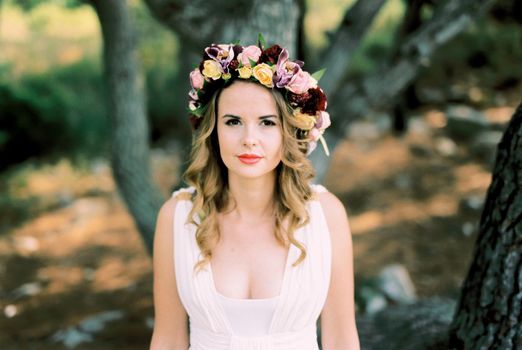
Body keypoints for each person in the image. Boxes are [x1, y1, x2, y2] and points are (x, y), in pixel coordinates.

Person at [150, 37, 360, 350]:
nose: (249, 139)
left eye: (267, 122)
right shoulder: (177, 217)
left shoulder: (325, 215)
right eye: (233, 121)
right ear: (214, 130)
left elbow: (341, 339)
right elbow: (168, 339)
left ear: (288, 130)